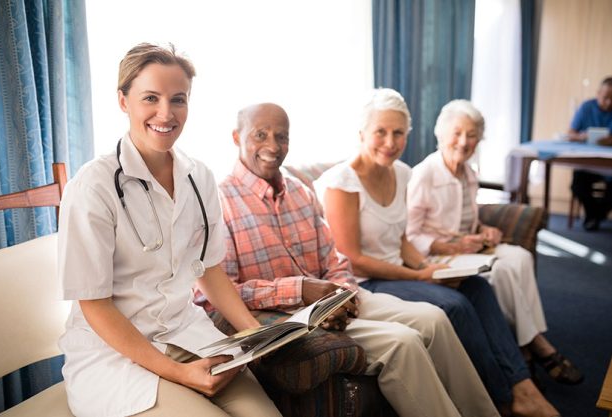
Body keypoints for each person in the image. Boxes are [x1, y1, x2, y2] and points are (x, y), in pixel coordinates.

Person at [195, 102, 501, 417]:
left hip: (335, 302)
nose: (273, 146)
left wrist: (342, 294)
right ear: (236, 137)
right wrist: (299, 289)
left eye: (282, 137)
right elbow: (217, 292)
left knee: (435, 319)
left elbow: (335, 259)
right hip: (288, 318)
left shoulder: (300, 191)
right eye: (261, 135)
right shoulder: (219, 203)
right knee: (404, 342)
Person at [57, 43, 281, 417]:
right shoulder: (93, 186)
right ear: (123, 101)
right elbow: (93, 304)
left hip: (187, 334)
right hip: (114, 357)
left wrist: (258, 335)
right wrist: (179, 374)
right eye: (150, 98)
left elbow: (208, 270)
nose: (166, 113)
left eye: (178, 99)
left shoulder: (199, 177)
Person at [314, 88, 560, 417]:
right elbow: (352, 258)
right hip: (367, 280)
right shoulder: (342, 181)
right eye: (380, 132)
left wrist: (430, 267)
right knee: (454, 305)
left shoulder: (401, 172)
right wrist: (420, 275)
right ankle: (502, 398)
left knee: (478, 287)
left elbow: (401, 239)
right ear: (362, 134)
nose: (390, 142)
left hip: (400, 268)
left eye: (398, 133)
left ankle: (523, 387)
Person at [406, 98, 583, 387]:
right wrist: (451, 246)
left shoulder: (469, 173)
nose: (464, 142)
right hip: (438, 255)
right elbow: (410, 235)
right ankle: (535, 347)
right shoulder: (424, 175)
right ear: (441, 134)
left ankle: (527, 344)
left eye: (472, 135)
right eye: (457, 133)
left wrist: (485, 229)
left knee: (521, 257)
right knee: (500, 271)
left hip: (468, 246)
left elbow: (466, 219)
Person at [566, 76, 612, 231]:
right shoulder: (586, 107)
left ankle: (594, 216)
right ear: (598, 93)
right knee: (577, 185)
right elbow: (570, 133)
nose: (609, 103)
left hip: (610, 167)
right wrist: (582, 136)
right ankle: (595, 215)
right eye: (606, 98)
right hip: (587, 165)